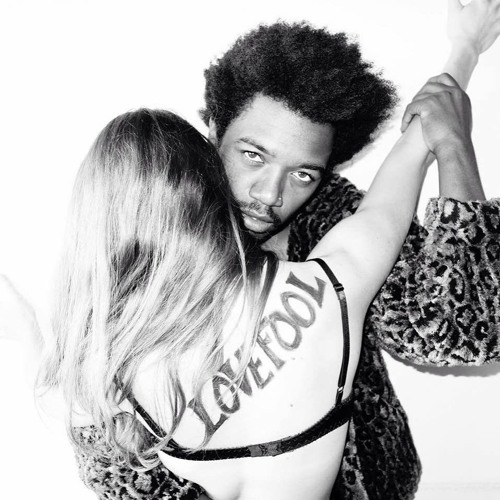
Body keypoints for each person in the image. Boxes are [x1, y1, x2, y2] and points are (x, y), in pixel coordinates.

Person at [2, 1, 499, 498]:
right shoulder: (155, 241)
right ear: (214, 132)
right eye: (253, 155)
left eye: (303, 174)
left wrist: (456, 128)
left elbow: (460, 330)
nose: (270, 194)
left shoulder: (333, 217)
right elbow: (112, 454)